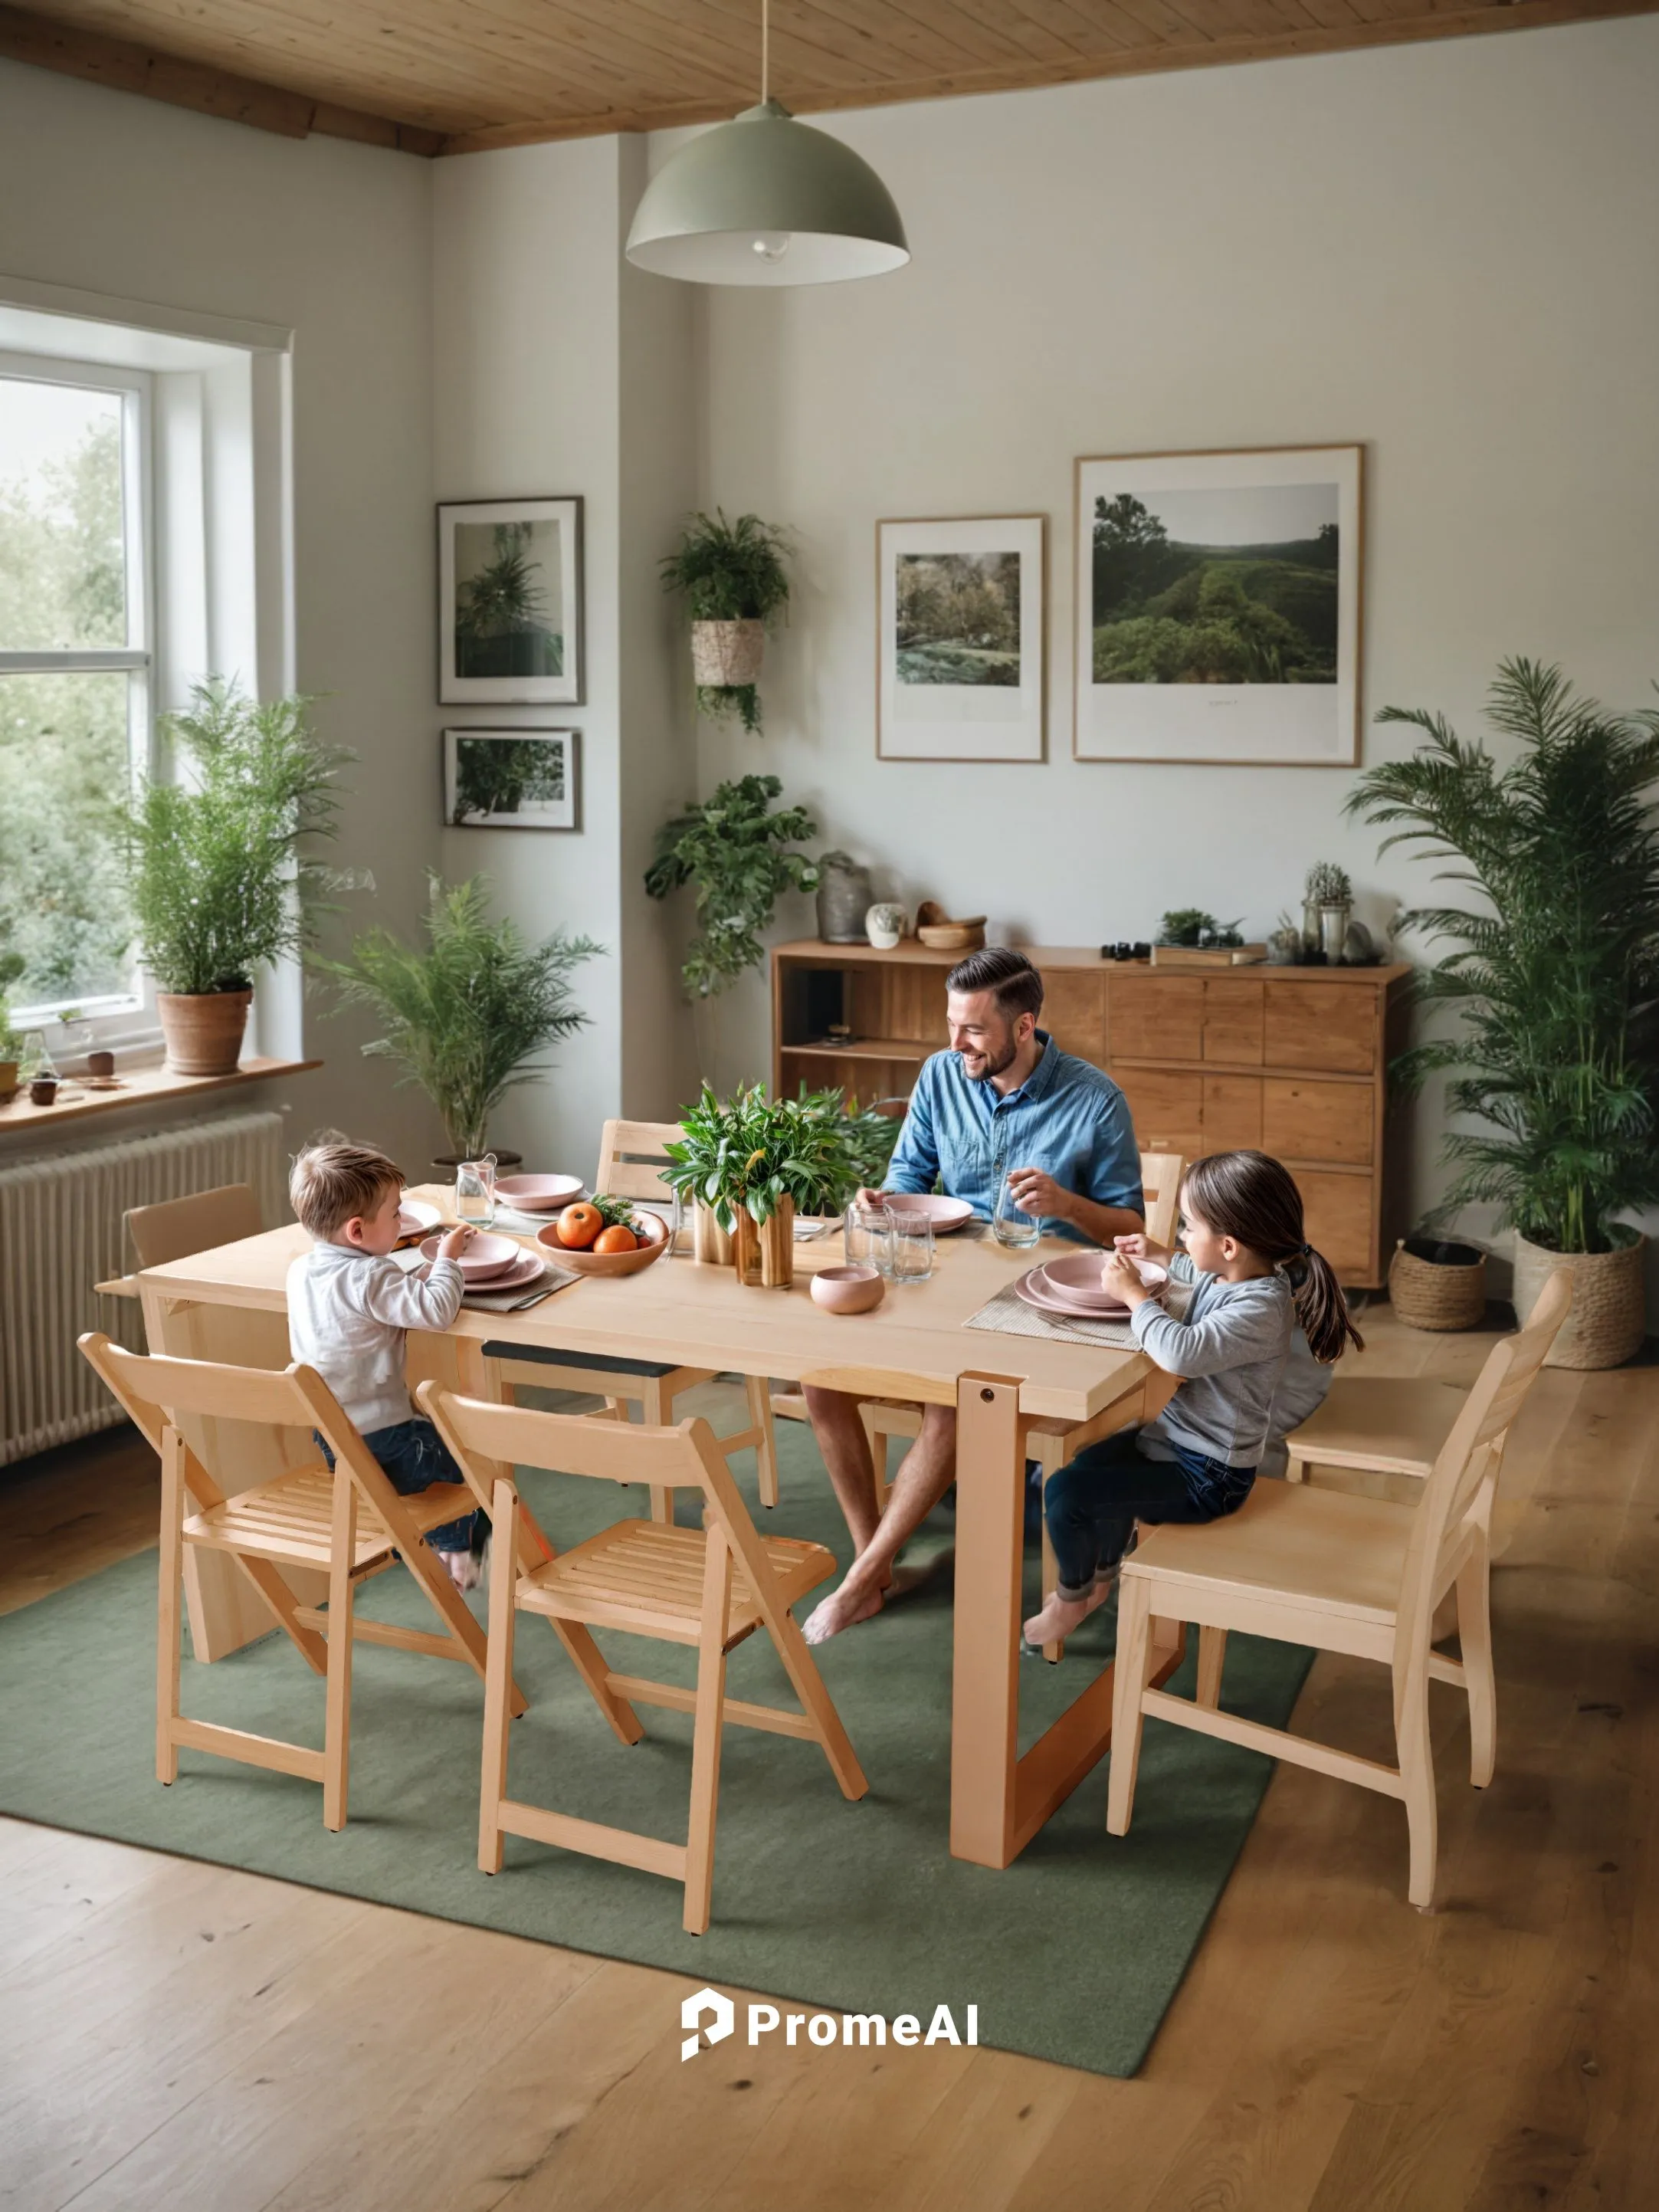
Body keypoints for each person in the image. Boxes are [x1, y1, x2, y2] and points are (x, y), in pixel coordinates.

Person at [802, 946, 1145, 1645]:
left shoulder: (1094, 1099)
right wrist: (883, 1198)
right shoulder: (939, 1074)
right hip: (941, 1286)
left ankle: (858, 1580)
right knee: (820, 1382)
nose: (956, 1044)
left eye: (974, 1031)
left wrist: (1068, 1204)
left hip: (1041, 1304)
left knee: (951, 1404)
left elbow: (1132, 1227)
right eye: (952, 1025)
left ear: (1024, 1027)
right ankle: (877, 1565)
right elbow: (911, 1175)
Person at [1021, 1149, 1365, 1649]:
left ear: (1227, 1245)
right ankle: (1099, 1576)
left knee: (1068, 1495)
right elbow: (1190, 1266)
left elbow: (1178, 1354)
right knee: (1084, 1466)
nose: (1182, 1234)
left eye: (1188, 1225)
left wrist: (1134, 1296)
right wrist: (1157, 1252)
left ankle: (1073, 1598)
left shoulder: (1260, 1308)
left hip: (1210, 1476)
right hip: (1172, 1443)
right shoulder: (1234, 1273)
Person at [286, 1137, 486, 1592]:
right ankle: (452, 1558)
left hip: (334, 1433)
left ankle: (409, 1541)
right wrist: (448, 1260)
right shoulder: (371, 1275)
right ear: (357, 1232)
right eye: (396, 1213)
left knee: (408, 1468)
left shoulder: (301, 1271)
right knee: (457, 1456)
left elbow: (370, 1304)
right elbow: (436, 1311)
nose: (402, 1220)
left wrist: (418, 1270)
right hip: (385, 1433)